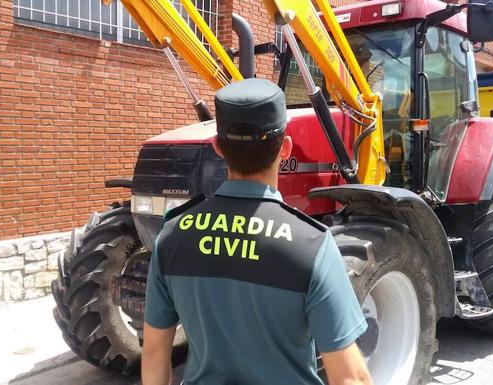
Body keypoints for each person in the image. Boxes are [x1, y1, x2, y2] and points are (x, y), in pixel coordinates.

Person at [142, 78, 372, 385]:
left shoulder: (171, 237)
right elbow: (349, 379)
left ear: (218, 146)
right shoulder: (311, 246)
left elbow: (155, 353)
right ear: (286, 148)